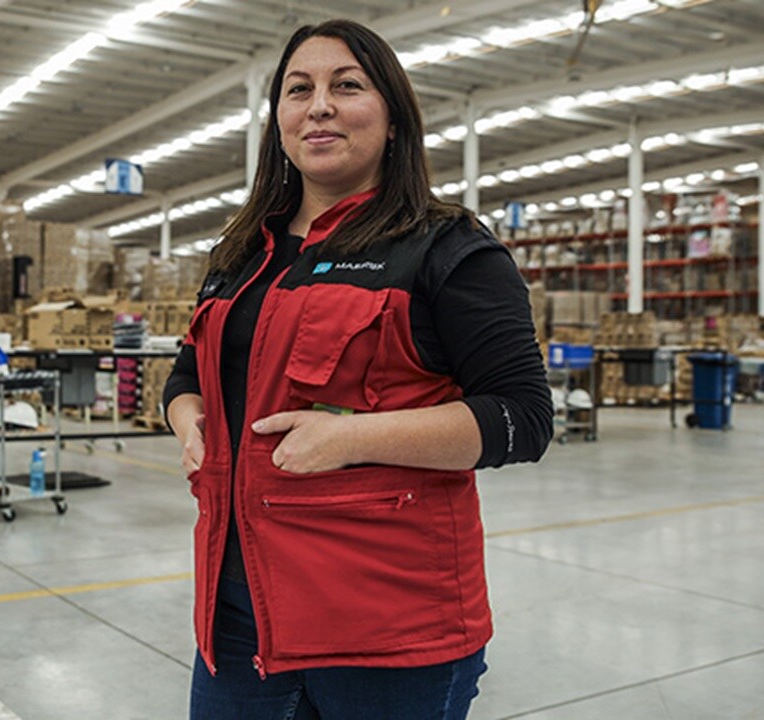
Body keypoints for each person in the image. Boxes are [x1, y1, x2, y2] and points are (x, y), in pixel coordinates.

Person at [163, 19, 553, 720]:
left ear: (395, 118)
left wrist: (350, 439)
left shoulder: (446, 249)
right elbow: (186, 372)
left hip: (386, 627)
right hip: (236, 612)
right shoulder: (239, 254)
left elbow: (522, 420)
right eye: (298, 89)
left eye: (347, 86)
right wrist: (186, 419)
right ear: (278, 120)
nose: (319, 105)